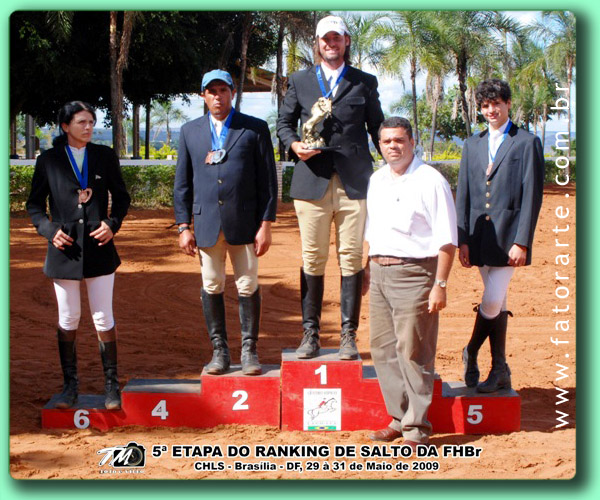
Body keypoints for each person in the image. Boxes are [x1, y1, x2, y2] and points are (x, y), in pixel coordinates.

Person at [276, 15, 384, 360]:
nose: (331, 44)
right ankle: (310, 335)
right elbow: (283, 123)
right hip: (312, 181)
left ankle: (348, 337)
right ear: (318, 43)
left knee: (350, 258)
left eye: (336, 38)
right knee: (313, 258)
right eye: (325, 39)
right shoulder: (299, 80)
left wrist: (403, 169)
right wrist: (294, 145)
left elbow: (377, 128)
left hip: (355, 182)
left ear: (346, 41)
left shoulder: (364, 82)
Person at [26, 101, 131, 410]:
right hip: (64, 248)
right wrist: (47, 229)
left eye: (91, 122)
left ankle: (111, 386)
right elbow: (34, 205)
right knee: (68, 317)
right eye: (82, 122)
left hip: (99, 247)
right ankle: (69, 387)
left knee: (103, 316)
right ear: (65, 126)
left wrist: (112, 225)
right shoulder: (48, 160)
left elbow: (122, 197)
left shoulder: (104, 156)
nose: (89, 127)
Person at [174, 69, 277, 376]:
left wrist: (266, 224)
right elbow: (182, 184)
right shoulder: (190, 131)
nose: (217, 97)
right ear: (203, 95)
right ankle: (220, 352)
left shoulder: (254, 129)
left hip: (244, 224)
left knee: (247, 285)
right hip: (206, 225)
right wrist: (183, 227)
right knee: (212, 284)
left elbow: (267, 183)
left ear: (233, 92)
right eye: (211, 91)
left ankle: (249, 351)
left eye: (223, 90)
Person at [364, 117, 457, 447]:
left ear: (412, 142)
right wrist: (366, 270)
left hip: (416, 274)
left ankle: (417, 428)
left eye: (399, 140)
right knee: (383, 351)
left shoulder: (430, 181)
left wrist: (440, 284)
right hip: (379, 273)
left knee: (414, 351)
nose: (393, 146)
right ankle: (398, 418)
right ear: (380, 145)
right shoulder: (376, 180)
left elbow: (447, 240)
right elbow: (371, 231)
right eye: (387, 141)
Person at [456, 78, 544, 393]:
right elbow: (463, 194)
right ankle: (499, 369)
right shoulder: (472, 144)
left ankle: (471, 349)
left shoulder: (526, 141)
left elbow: (532, 194)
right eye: (485, 105)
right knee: (498, 300)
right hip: (480, 235)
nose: (491, 110)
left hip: (509, 236)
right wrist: (462, 238)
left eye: (496, 104)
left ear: (507, 104)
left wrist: (522, 240)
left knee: (493, 299)